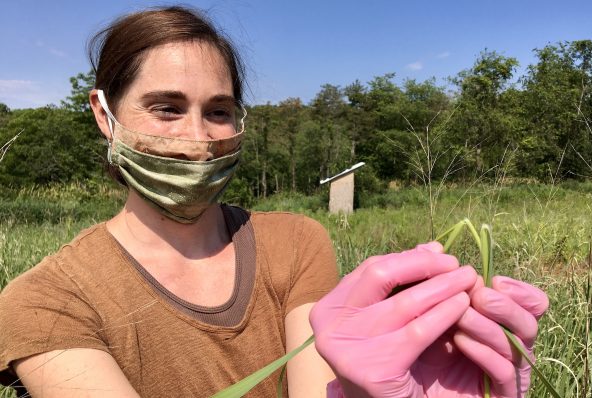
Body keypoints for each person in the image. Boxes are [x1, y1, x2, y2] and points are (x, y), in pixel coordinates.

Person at [0, 6, 548, 398]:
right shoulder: (43, 303)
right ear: (104, 115)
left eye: (218, 111)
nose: (198, 139)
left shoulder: (293, 242)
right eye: (166, 109)